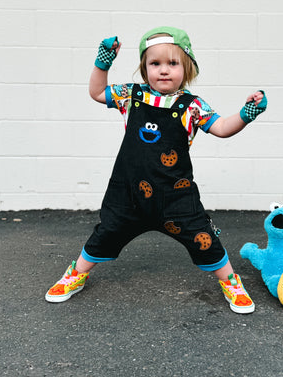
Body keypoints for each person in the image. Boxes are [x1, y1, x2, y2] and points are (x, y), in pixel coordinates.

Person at [45, 26, 267, 314]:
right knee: (105, 233)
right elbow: (97, 92)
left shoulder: (192, 106)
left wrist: (246, 115)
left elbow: (222, 128)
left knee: (205, 238)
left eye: (173, 63)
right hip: (128, 194)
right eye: (155, 63)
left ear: (187, 69)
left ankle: (230, 281)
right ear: (144, 67)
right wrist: (103, 63)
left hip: (176, 197)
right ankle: (77, 273)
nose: (164, 70)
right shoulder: (131, 95)